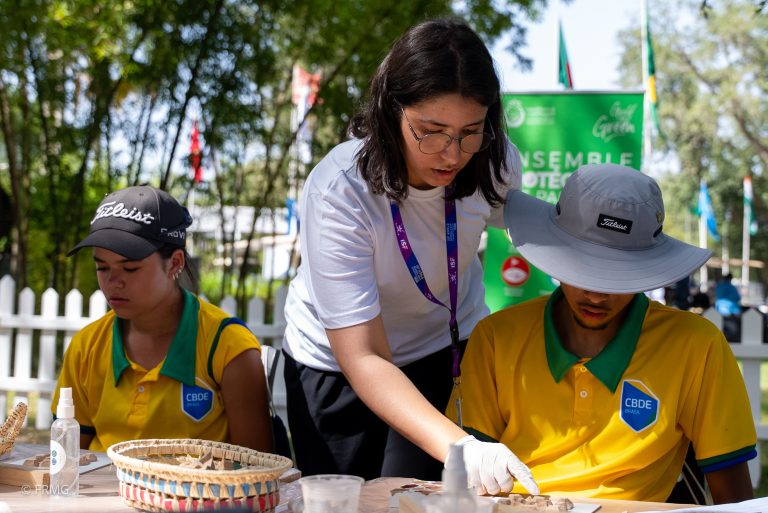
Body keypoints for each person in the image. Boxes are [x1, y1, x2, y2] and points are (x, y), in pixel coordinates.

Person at [281, 17, 538, 493]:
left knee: (424, 498)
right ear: (389, 110)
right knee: (345, 499)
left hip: (443, 350)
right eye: (431, 131)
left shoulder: (493, 162)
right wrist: (462, 448)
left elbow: (538, 233)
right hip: (337, 364)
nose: (451, 154)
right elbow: (365, 358)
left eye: (470, 131)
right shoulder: (341, 189)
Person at [449, 164, 756, 503]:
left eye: (617, 275)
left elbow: (733, 493)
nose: (596, 294)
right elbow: (465, 477)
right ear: (555, 254)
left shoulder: (697, 346)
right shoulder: (496, 338)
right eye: (582, 268)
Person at [53, 185, 274, 452]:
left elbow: (257, 470)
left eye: (130, 268)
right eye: (102, 267)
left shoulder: (227, 346)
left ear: (175, 263)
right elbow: (66, 459)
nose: (112, 282)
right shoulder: (86, 347)